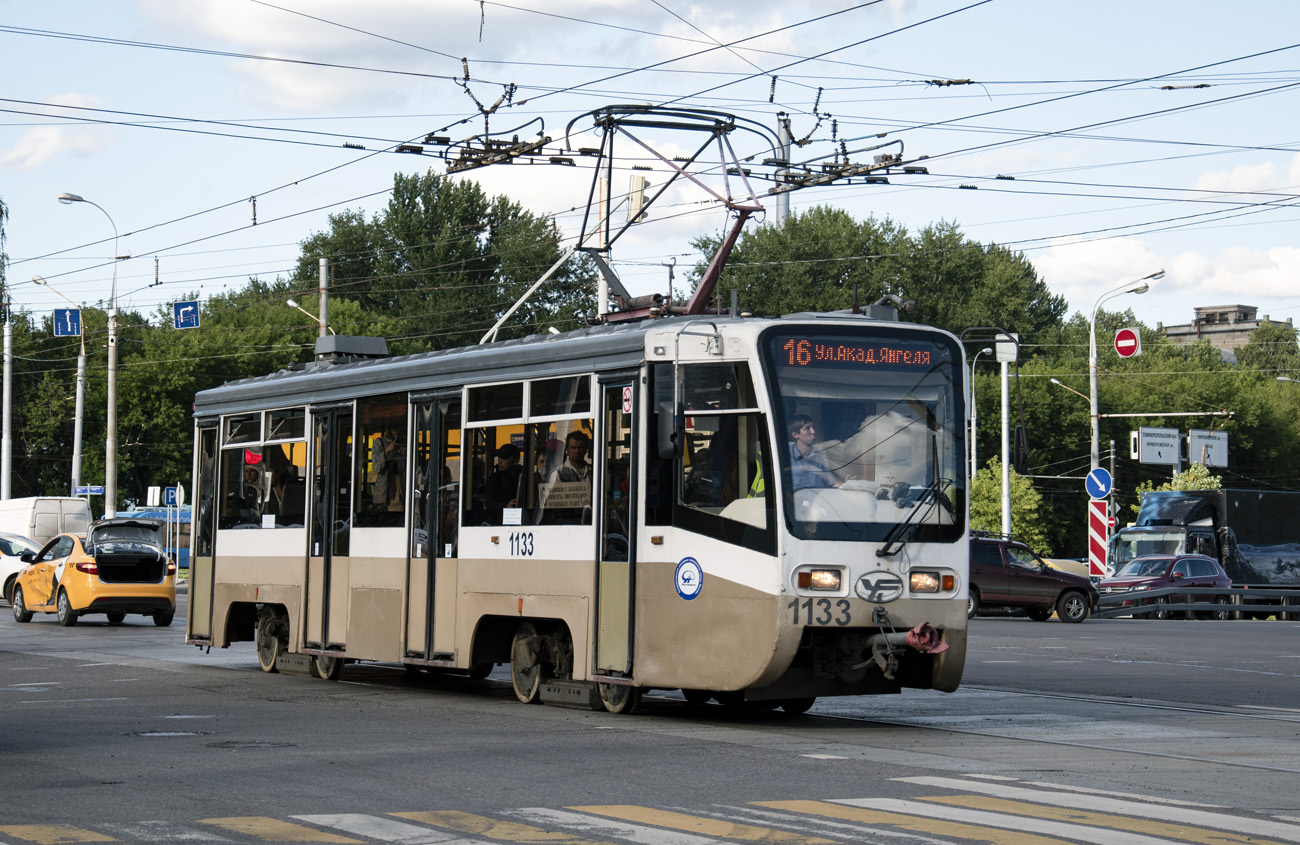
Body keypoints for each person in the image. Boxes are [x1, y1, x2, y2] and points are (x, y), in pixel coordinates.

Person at [788, 414, 836, 490]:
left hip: (817, 500)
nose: (813, 431)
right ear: (795, 435)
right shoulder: (785, 456)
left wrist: (849, 485)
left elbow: (832, 483)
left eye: (813, 427)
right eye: (807, 428)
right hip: (794, 501)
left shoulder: (820, 456)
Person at [484, 442, 523, 522]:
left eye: (504, 458)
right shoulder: (493, 478)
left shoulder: (522, 477)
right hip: (496, 518)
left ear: (515, 461)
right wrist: (505, 506)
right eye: (499, 458)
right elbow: (489, 502)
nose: (500, 461)